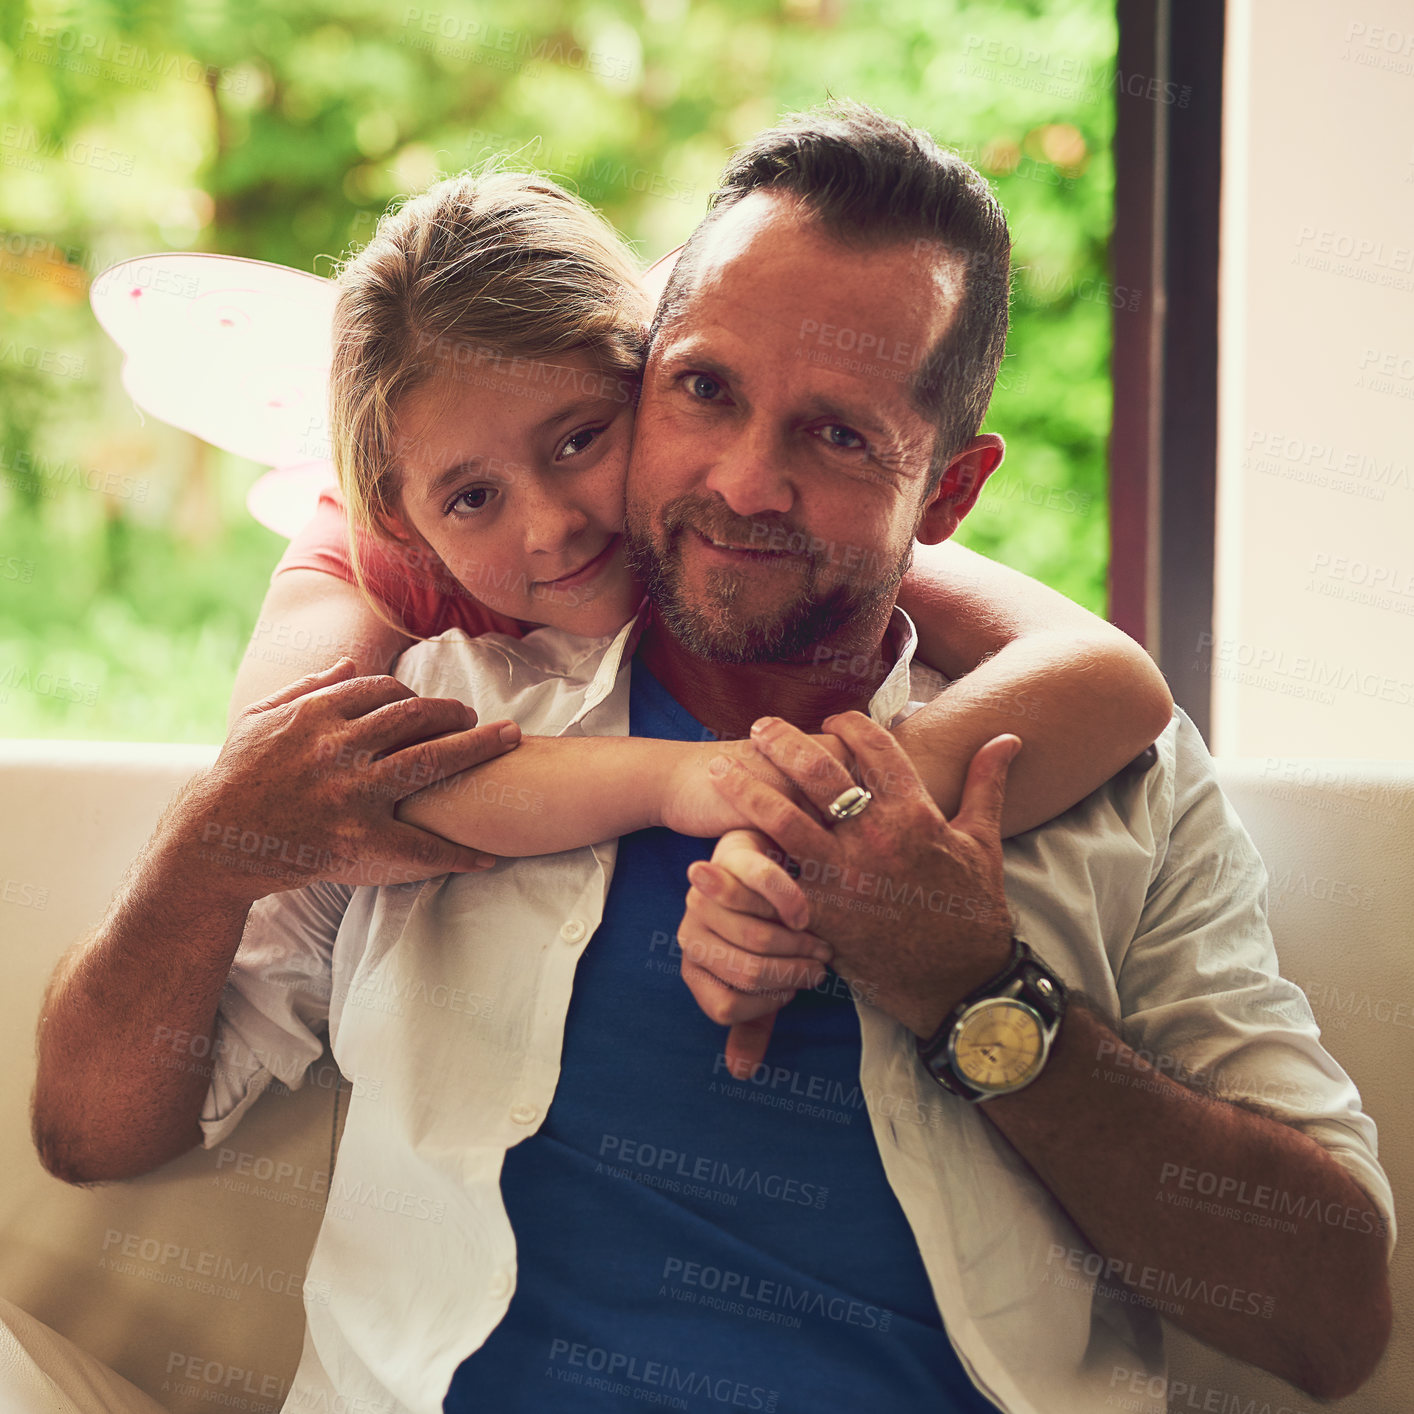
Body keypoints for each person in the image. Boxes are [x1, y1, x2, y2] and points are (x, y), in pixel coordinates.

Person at [23, 102, 1391, 1414]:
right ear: (644, 378)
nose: (742, 479)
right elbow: (91, 1131)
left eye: (837, 434)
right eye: (704, 391)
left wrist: (972, 991)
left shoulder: (1111, 779)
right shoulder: (427, 723)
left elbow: (1329, 1325)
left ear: (948, 490)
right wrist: (211, 846)